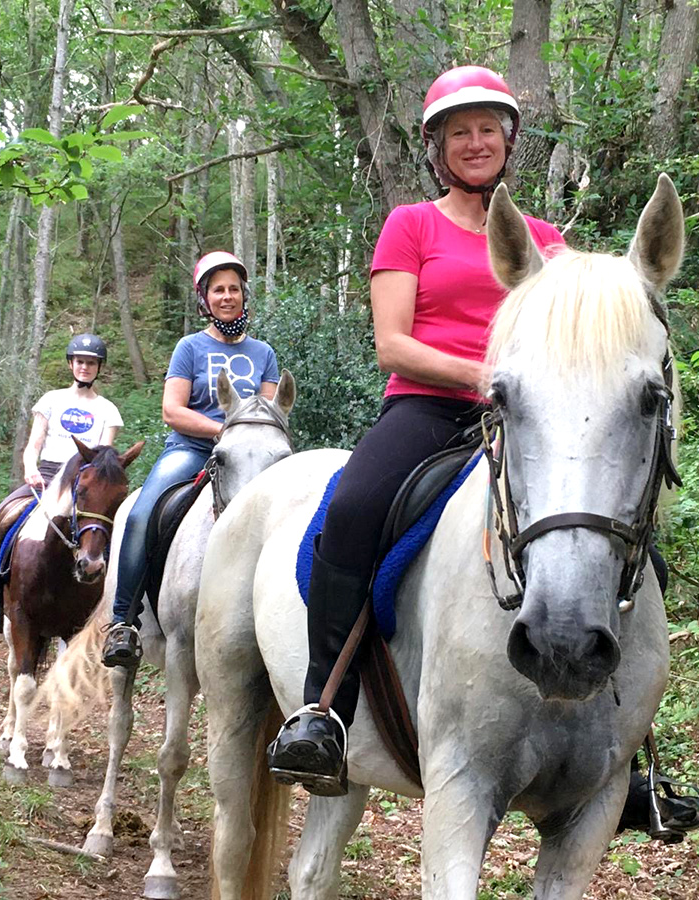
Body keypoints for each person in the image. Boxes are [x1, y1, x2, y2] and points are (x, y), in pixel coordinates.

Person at [266, 65, 566, 794]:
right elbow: (391, 343)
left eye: (487, 129)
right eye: (459, 132)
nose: (475, 142)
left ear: (508, 139)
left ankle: (631, 745)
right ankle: (321, 710)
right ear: (437, 147)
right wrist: (481, 377)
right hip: (429, 408)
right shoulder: (413, 225)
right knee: (353, 508)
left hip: (529, 417)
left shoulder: (546, 239)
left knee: (616, 526)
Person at [100, 251, 279, 668]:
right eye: (219, 290)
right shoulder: (190, 348)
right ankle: (123, 621)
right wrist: (222, 431)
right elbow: (172, 410)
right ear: (205, 298)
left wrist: (245, 438)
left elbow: (270, 416)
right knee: (143, 514)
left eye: (234, 288)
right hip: (192, 450)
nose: (228, 296)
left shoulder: (263, 353)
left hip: (249, 454)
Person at [0, 334, 123, 635]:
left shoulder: (108, 410)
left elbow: (104, 458)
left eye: (91, 363)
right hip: (46, 475)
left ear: (99, 367)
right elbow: (34, 444)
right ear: (71, 364)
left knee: (108, 535)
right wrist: (30, 467)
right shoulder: (51, 400)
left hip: (83, 481)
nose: (85, 367)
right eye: (80, 362)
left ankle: (112, 610)